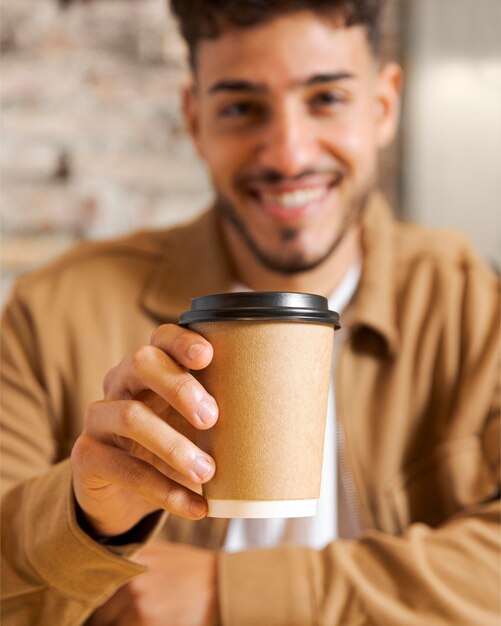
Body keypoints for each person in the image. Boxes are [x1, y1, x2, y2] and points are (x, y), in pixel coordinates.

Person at [1, 1, 499, 624]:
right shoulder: (53, 314)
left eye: (326, 99)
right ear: (195, 119)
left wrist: (226, 592)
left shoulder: (477, 310)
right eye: (241, 107)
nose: (288, 155)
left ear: (383, 106)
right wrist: (87, 521)